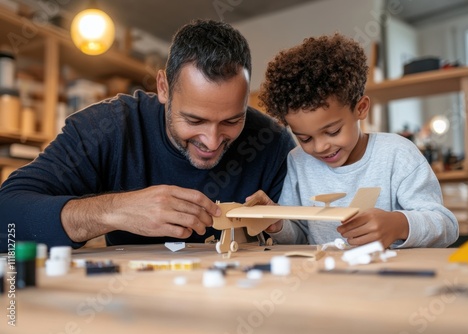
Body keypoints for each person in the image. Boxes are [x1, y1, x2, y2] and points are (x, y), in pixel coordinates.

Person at [0, 19, 296, 252]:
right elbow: (7, 214)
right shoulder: (108, 128)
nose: (212, 140)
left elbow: (304, 242)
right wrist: (112, 210)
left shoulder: (272, 142)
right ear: (163, 88)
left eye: (232, 120)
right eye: (194, 119)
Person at [248, 33, 458, 248]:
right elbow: (300, 235)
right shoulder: (298, 161)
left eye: (333, 131)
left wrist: (398, 224)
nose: (320, 147)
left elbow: (447, 226)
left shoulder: (397, 154)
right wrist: (277, 222)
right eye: (305, 138)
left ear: (361, 108)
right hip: (323, 276)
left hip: (389, 276)